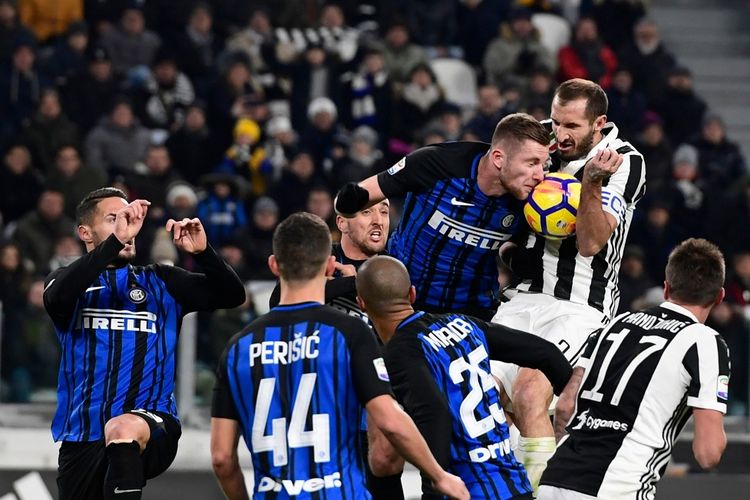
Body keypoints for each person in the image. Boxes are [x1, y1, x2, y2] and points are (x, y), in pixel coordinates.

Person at [210, 212, 469, 500]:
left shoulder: (238, 348)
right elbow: (391, 421)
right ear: (330, 264)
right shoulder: (349, 332)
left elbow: (222, 458)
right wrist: (439, 475)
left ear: (273, 265)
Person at [490, 78, 646, 492]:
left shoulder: (623, 160)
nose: (560, 135)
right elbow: (499, 190)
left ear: (599, 124)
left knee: (527, 394)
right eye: (556, 121)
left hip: (579, 304)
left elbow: (593, 242)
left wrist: (591, 183)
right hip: (522, 298)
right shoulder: (540, 142)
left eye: (572, 127)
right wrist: (508, 251)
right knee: (483, 399)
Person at [43, 187, 246, 500]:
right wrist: (114, 243)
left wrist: (204, 254)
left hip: (153, 424)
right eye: (114, 219)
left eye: (130, 217)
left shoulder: (161, 282)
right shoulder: (66, 281)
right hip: (82, 436)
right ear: (86, 232)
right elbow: (57, 296)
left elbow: (232, 295)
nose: (127, 226)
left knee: (122, 429)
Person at [355, 255, 572, 499]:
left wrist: (434, 491)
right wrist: (577, 422)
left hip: (468, 492)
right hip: (516, 488)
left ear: (361, 303)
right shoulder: (462, 323)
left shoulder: (397, 355)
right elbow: (547, 353)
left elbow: (432, 414)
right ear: (412, 294)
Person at [538, 238, 730, 499]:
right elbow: (708, 453)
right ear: (720, 296)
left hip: (555, 478)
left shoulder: (615, 323)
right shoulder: (705, 341)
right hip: (618, 486)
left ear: (666, 289)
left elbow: (564, 407)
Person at [334, 112, 550, 320]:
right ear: (498, 158)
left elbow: (508, 245)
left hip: (473, 312)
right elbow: (356, 197)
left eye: (543, 165)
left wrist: (517, 260)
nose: (540, 175)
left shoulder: (533, 199)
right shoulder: (436, 164)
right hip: (404, 303)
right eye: (531, 163)